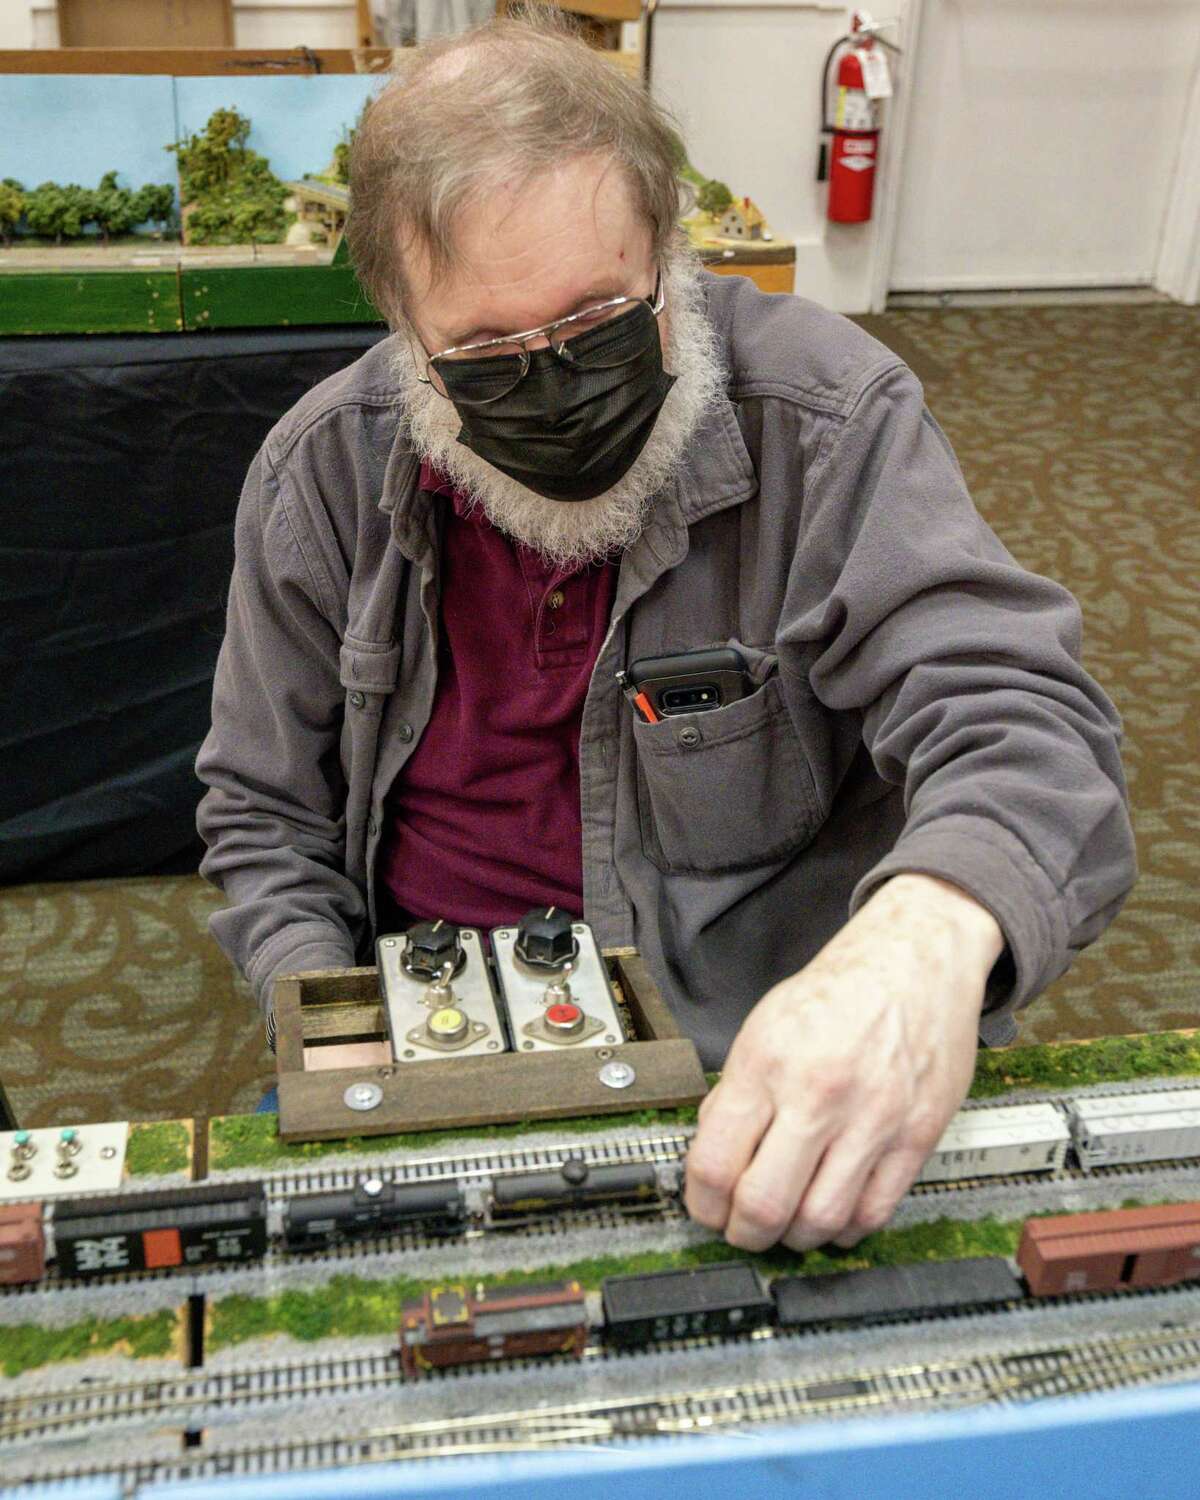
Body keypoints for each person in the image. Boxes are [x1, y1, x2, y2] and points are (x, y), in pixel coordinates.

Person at [195, 13, 1135, 1252]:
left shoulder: (827, 419)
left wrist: (918, 947)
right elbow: (262, 816)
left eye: (597, 325)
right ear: (399, 327)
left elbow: (1025, 727)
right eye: (484, 352)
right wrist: (335, 1025)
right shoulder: (319, 475)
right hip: (437, 1038)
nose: (557, 386)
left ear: (671, 257)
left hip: (756, 1050)